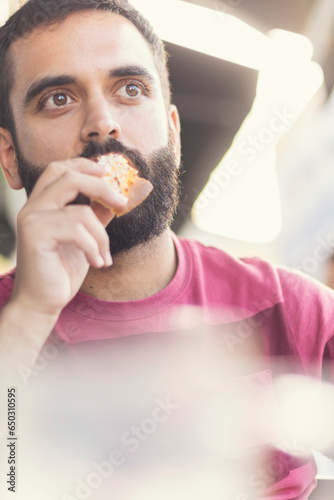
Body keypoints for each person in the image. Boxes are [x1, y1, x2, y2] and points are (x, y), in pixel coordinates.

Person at [0, 1, 333, 499]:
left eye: (130, 89)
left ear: (173, 129)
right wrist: (29, 314)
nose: (102, 124)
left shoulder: (294, 308)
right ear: (10, 157)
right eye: (58, 98)